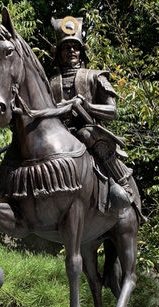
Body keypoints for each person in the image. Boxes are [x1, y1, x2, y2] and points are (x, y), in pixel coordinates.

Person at [49, 15, 138, 213]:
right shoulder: (50, 82)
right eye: (66, 47)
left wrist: (88, 106)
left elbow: (112, 111)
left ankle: (122, 183)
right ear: (59, 53)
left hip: (89, 131)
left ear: (81, 51)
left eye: (75, 46)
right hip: (59, 134)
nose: (72, 50)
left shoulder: (96, 76)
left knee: (86, 135)